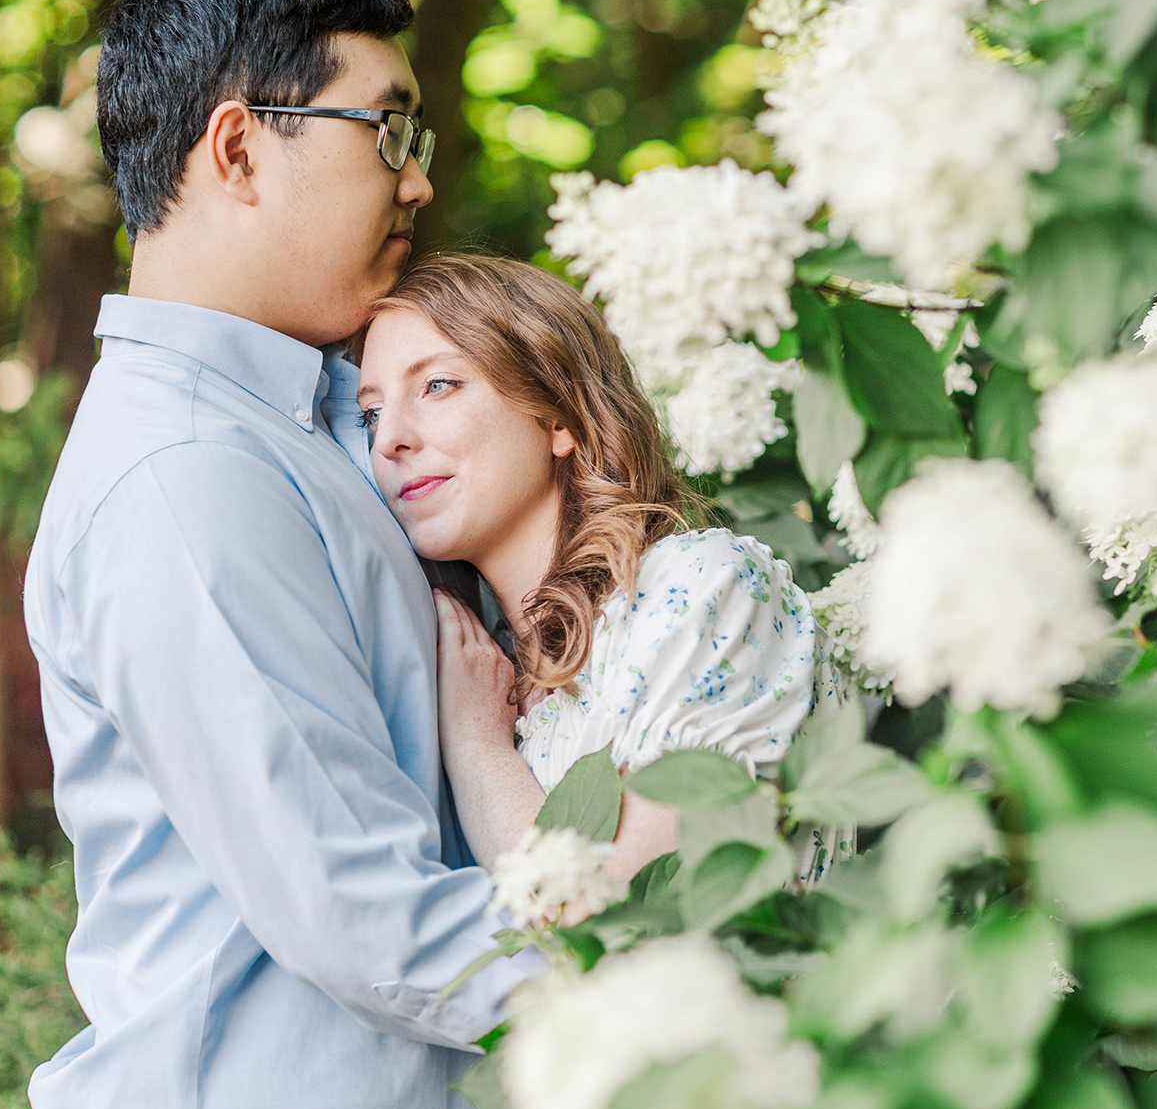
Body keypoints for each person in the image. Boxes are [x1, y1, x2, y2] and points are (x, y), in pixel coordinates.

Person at [22, 0, 536, 1109]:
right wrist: (680, 983)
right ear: (241, 148)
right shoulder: (187, 476)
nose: (416, 177)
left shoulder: (312, 426)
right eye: (387, 131)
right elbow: (366, 919)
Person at [350, 255, 819, 880]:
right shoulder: (494, 677)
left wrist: (474, 746)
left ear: (559, 415)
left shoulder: (705, 587)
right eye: (370, 413)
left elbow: (618, 914)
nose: (388, 441)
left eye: (438, 385)